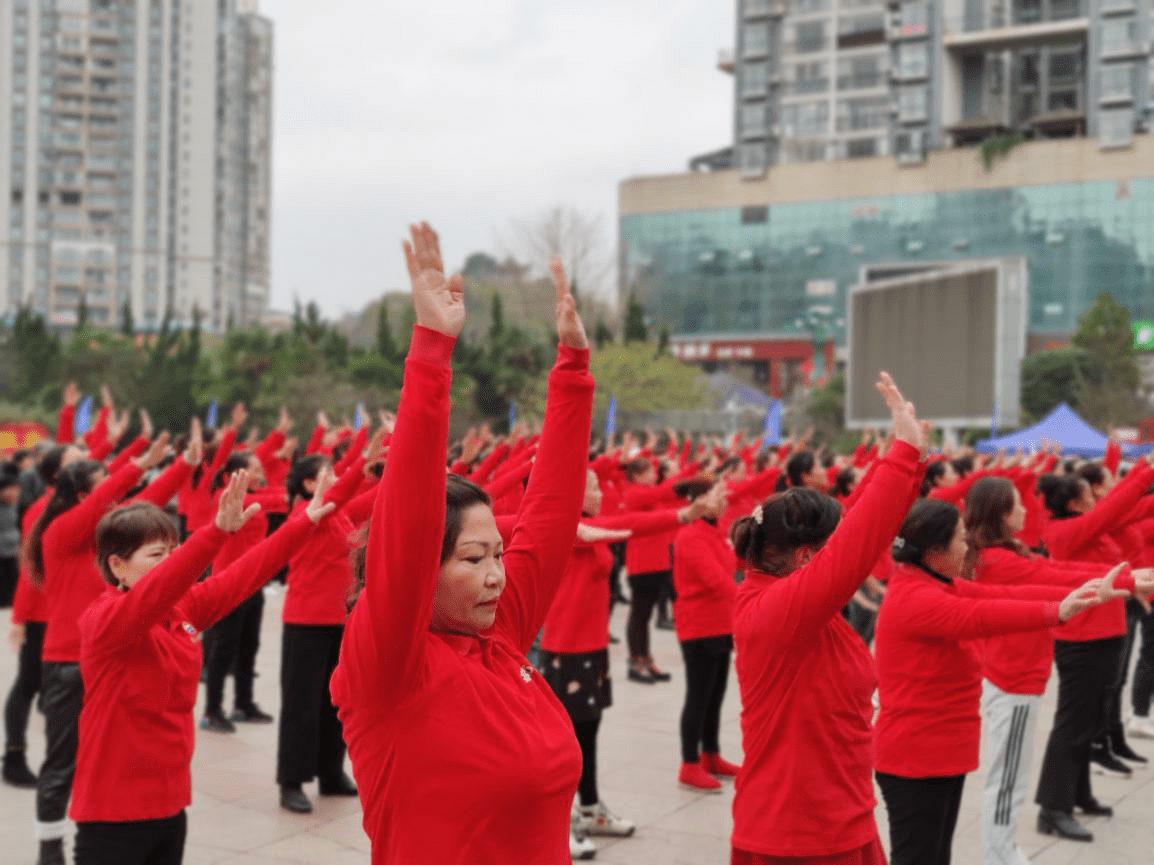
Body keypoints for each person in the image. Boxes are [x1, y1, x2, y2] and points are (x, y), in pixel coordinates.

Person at [329, 224, 593, 864]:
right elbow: (406, 525)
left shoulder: (497, 636)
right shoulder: (391, 665)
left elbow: (552, 517)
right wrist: (431, 353)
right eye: (473, 559)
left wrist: (573, 372)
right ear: (426, 569)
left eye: (497, 554)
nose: (498, 574)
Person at [69, 468, 336, 865]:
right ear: (117, 566)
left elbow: (245, 575)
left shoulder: (182, 609)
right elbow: (161, 589)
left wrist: (304, 522)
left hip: (169, 801)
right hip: (113, 809)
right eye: (157, 555)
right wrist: (214, 534)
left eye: (173, 551)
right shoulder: (105, 622)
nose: (171, 562)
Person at [728, 373, 925, 865]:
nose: (839, 551)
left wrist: (910, 461)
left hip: (840, 815)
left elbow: (858, 526)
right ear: (802, 558)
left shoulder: (796, 605)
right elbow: (855, 545)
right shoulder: (775, 614)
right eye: (826, 548)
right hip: (796, 834)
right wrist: (899, 457)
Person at [874, 497, 1136, 865]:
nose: (967, 547)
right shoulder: (915, 597)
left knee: (934, 855)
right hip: (916, 757)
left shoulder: (932, 581)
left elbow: (1001, 594)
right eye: (960, 539)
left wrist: (1088, 594)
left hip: (938, 752)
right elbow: (982, 614)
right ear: (934, 550)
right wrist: (1058, 611)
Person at [963, 476, 1150, 865]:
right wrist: (1130, 581)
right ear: (1001, 513)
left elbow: (1057, 569)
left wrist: (1132, 579)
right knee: (1008, 780)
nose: (1028, 508)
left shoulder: (1006, 553)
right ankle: (1004, 852)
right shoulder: (1002, 558)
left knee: (1014, 774)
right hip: (1015, 679)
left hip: (1025, 677)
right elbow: (1054, 577)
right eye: (1018, 503)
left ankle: (1008, 848)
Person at [24, 435, 185, 865]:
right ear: (81, 495)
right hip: (65, 661)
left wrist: (183, 464)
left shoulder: (109, 539)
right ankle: (49, 846)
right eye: (104, 485)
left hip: (109, 662)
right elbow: (102, 506)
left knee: (92, 759)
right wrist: (133, 465)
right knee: (60, 764)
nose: (116, 493)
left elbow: (149, 502)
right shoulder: (61, 531)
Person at [539, 469, 705, 859]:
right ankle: (558, 823)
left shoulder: (592, 526)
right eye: (594, 488)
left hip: (592, 647)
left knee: (590, 733)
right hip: (566, 649)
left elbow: (621, 524)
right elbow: (631, 523)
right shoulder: (568, 531)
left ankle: (592, 807)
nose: (601, 494)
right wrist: (681, 516)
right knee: (564, 742)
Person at [1033, 458, 1154, 842]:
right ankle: (1052, 808)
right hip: (1082, 641)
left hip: (1104, 637)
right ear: (1073, 504)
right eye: (1089, 494)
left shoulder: (1090, 527)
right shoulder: (1067, 531)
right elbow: (1117, 505)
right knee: (1072, 724)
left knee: (1088, 721)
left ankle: (1078, 793)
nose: (1097, 499)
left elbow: (1133, 507)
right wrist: (1145, 471)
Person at [276, 448, 380, 814]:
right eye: (328, 474)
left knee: (333, 701)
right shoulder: (307, 514)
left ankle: (330, 772)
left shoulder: (339, 517)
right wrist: (361, 458)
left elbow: (374, 496)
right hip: (305, 621)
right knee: (301, 705)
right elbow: (341, 493)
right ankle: (291, 780)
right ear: (308, 484)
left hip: (339, 621)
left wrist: (402, 459)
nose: (336, 480)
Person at [671, 480, 741, 794]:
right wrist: (751, 603)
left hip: (721, 623)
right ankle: (688, 763)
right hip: (699, 624)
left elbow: (731, 568)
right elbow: (715, 580)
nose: (725, 500)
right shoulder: (690, 535)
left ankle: (710, 754)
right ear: (699, 500)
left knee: (715, 694)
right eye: (718, 495)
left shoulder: (716, 532)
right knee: (698, 696)